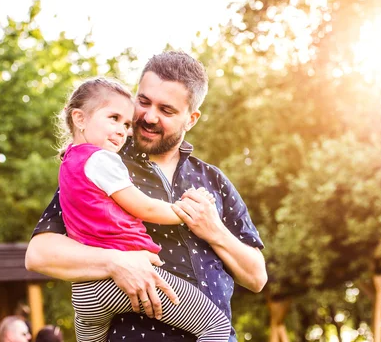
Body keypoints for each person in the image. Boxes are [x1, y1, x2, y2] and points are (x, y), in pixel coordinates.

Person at [26, 51, 267, 342]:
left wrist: (214, 230)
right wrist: (115, 262)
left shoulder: (213, 180)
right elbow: (39, 254)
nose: (149, 117)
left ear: (191, 119)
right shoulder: (102, 164)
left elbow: (256, 278)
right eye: (144, 102)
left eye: (166, 110)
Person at [55, 76, 230, 342]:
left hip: (85, 293)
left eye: (126, 124)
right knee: (215, 326)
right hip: (120, 283)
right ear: (79, 119)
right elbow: (144, 207)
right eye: (113, 118)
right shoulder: (103, 160)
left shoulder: (69, 160)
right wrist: (187, 211)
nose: (123, 131)